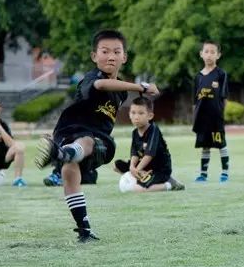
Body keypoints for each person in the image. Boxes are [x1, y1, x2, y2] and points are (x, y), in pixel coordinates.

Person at [34, 30, 159, 242]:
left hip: (95, 140)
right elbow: (101, 85)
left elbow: (115, 87)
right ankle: (66, 154)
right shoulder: (92, 77)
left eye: (116, 52)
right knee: (79, 156)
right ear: (94, 56)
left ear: (124, 57)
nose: (111, 56)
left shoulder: (120, 92)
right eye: (104, 51)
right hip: (72, 130)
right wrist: (141, 87)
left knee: (74, 162)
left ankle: (66, 156)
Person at [113, 96, 184, 192]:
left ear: (150, 116)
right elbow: (134, 153)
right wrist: (132, 167)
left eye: (141, 113)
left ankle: (170, 184)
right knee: (116, 166)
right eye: (133, 113)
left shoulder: (154, 130)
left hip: (159, 169)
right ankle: (142, 175)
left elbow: (149, 155)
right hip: (145, 166)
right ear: (129, 114)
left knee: (140, 189)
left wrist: (136, 169)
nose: (136, 117)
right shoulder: (135, 132)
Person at [193, 41, 229, 183]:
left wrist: (220, 114)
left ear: (218, 55)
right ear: (201, 54)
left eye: (212, 52)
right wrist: (195, 117)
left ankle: (225, 173)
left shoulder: (221, 74)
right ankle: (203, 174)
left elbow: (224, 97)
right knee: (205, 146)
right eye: (206, 51)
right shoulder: (198, 77)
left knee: (221, 145)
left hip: (216, 117)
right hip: (202, 118)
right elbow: (194, 101)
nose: (209, 55)